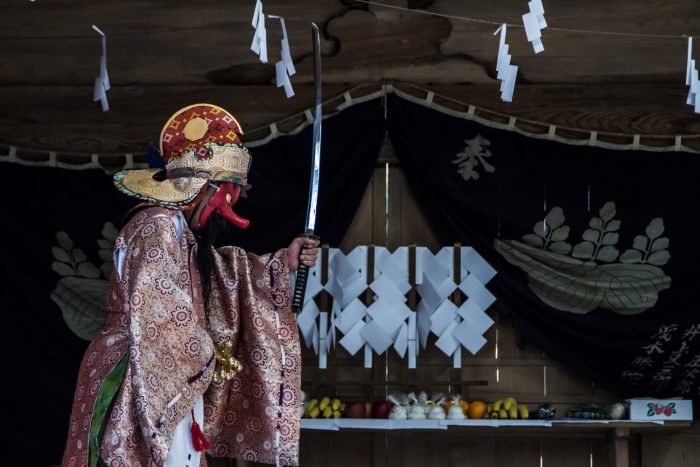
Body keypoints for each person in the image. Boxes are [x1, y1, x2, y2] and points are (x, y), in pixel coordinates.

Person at [61, 103, 319, 467]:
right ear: (205, 188)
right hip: (144, 374)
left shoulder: (179, 232)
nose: (225, 208)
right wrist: (205, 351)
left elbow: (219, 274)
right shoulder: (158, 226)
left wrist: (281, 263)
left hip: (168, 374)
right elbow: (161, 312)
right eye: (227, 194)